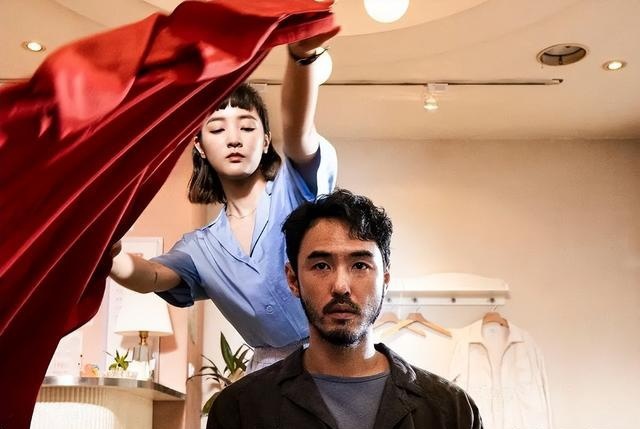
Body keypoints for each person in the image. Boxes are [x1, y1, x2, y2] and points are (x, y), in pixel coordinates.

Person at [109, 29, 340, 371]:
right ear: (200, 146)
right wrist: (108, 253)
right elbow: (151, 276)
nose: (233, 139)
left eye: (247, 127)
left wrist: (300, 57)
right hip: (269, 376)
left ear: (266, 141)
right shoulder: (201, 247)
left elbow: (299, 132)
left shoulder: (294, 188)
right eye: (217, 129)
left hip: (337, 357)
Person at [207, 189, 483, 429]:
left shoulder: (451, 411)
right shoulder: (241, 409)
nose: (341, 286)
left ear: (385, 280)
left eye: (360, 265)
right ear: (293, 280)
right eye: (321, 265)